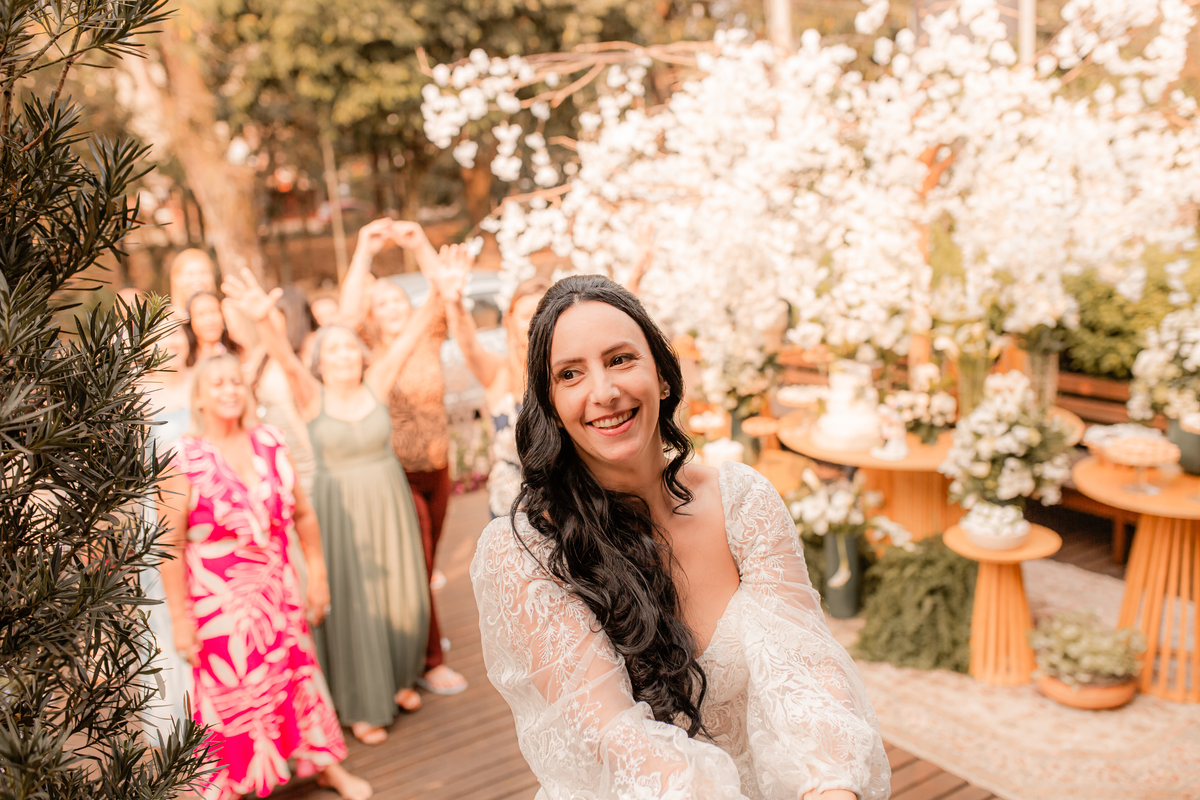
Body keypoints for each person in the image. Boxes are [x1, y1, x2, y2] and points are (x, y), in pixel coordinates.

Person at [471, 276, 890, 800]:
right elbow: (617, 740)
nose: (603, 392)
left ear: (663, 378)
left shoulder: (743, 501)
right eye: (571, 374)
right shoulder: (528, 551)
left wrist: (829, 788)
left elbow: (805, 670)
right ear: (552, 404)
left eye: (620, 359)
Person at [223, 267, 435, 745]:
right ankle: (362, 701)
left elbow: (416, 330)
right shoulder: (308, 393)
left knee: (402, 594)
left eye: (348, 347)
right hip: (340, 509)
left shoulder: (377, 381)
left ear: (361, 355)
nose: (342, 355)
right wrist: (264, 320)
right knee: (355, 603)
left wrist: (441, 287)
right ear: (320, 359)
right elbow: (279, 350)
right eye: (332, 348)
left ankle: (399, 677)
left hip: (389, 501)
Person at [158, 354, 371, 800]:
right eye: (217, 383)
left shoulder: (270, 442)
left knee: (298, 677)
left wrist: (318, 577)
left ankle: (325, 767)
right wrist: (179, 619)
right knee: (230, 693)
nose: (229, 389)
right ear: (199, 394)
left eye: (236, 381)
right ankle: (229, 786)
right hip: (216, 602)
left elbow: (305, 515)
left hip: (277, 588)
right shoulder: (183, 457)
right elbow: (169, 544)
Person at [339, 219, 467, 696]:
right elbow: (346, 316)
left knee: (425, 564)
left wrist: (419, 243)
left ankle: (419, 637)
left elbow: (446, 289)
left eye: (397, 298)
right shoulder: (368, 349)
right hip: (397, 474)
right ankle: (431, 661)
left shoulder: (428, 331)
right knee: (418, 562)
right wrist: (363, 251)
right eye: (382, 302)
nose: (391, 306)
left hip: (438, 465)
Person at [435, 243, 549, 518]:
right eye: (525, 315)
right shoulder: (499, 372)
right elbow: (468, 342)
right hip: (512, 507)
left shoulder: (569, 375)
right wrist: (453, 300)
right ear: (509, 320)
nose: (534, 324)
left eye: (542, 314)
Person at [138, 321, 194, 742]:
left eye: (178, 331)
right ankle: (180, 724)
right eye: (164, 334)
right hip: (161, 520)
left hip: (209, 523)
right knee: (166, 616)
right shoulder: (138, 395)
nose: (173, 341)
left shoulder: (204, 382)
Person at [183, 290, 243, 367]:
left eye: (213, 312)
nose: (209, 320)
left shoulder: (239, 353)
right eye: (201, 314)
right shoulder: (184, 359)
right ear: (190, 321)